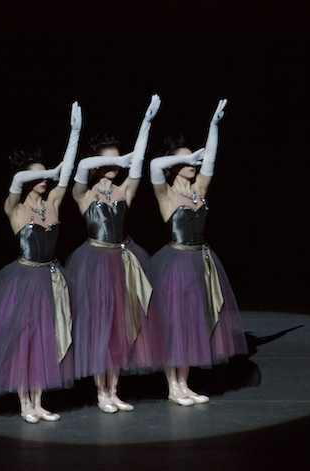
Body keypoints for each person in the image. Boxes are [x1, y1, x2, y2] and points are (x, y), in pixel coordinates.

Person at [0, 102, 82, 423]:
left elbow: (66, 173)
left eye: (45, 177)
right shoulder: (15, 208)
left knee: (45, 338)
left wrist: (74, 134)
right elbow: (19, 180)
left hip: (52, 276)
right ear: (26, 180)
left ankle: (37, 402)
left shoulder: (52, 202)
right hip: (23, 279)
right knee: (24, 338)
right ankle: (24, 403)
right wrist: (44, 170)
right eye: (36, 177)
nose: (44, 181)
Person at [65, 94, 164, 413]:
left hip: (124, 260)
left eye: (117, 160)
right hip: (94, 262)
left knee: (121, 325)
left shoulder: (124, 191)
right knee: (99, 327)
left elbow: (137, 163)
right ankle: (100, 392)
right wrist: (110, 157)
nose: (115, 165)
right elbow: (81, 166)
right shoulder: (83, 192)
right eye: (106, 161)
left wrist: (146, 123)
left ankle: (114, 390)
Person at [148, 99, 248, 406]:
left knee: (193, 322)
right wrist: (189, 155)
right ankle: (172, 386)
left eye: (194, 161)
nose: (194, 164)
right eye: (186, 161)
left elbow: (212, 159)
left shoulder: (199, 189)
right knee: (174, 324)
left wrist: (213, 126)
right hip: (175, 264)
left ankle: (185, 383)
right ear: (174, 165)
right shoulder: (165, 193)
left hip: (201, 261)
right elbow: (153, 165)